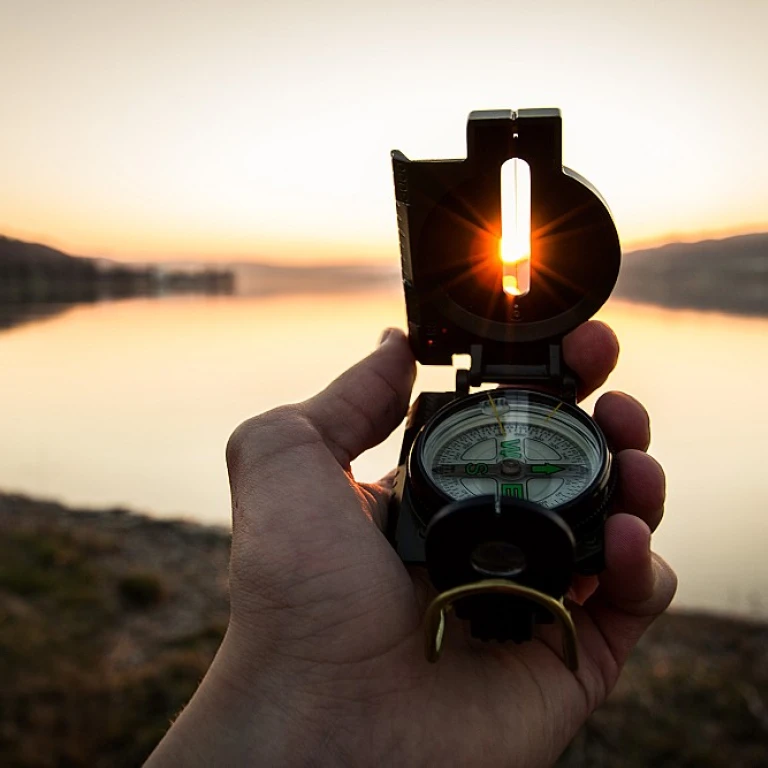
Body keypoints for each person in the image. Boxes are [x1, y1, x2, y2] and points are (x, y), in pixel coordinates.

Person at [146, 323, 676, 767]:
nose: (511, 467)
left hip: (468, 552)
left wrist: (295, 711)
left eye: (516, 464)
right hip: (513, 562)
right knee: (624, 517)